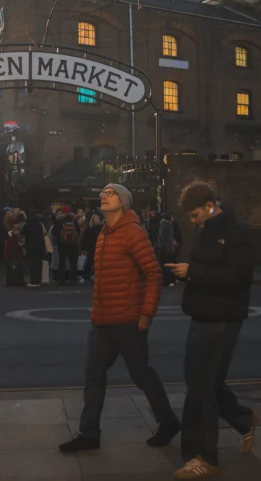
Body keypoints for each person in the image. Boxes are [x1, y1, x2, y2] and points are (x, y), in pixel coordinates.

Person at [59, 184, 180, 454]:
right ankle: (89, 433)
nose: (104, 195)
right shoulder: (104, 233)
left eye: (111, 193)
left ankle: (168, 422)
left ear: (124, 202)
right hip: (102, 321)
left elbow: (154, 274)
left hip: (128, 320)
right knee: (93, 375)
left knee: (141, 374)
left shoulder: (133, 233)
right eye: (103, 193)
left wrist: (146, 314)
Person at [166, 181, 258, 479]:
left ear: (209, 205)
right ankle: (243, 419)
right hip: (202, 315)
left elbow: (238, 276)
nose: (192, 222)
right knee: (207, 382)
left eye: (195, 215)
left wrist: (192, 272)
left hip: (222, 318)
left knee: (200, 389)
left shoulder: (237, 231)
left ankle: (203, 457)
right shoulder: (206, 229)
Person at [53, 205, 80, 285]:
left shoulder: (59, 220)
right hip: (72, 244)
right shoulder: (73, 219)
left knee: (62, 262)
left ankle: (61, 279)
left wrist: (59, 238)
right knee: (72, 262)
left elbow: (54, 231)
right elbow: (78, 230)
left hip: (62, 244)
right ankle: (73, 279)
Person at [24, 210, 47, 287]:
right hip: (40, 246)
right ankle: (39, 280)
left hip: (31, 247)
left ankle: (34, 281)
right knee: (38, 264)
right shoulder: (40, 224)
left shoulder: (28, 225)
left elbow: (22, 232)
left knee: (33, 265)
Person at [4, 209, 26, 287]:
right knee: (18, 267)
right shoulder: (15, 236)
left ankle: (11, 281)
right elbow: (17, 245)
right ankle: (17, 281)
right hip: (16, 254)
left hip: (10, 255)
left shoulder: (9, 235)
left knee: (11, 268)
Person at [78, 213, 103, 282]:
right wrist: (84, 248)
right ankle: (86, 276)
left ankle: (94, 275)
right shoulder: (89, 228)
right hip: (90, 248)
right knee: (89, 262)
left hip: (98, 247)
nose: (98, 220)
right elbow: (85, 239)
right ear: (93, 220)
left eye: (98, 218)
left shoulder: (102, 228)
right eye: (96, 218)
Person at [157, 212, 177, 287]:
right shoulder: (166, 226)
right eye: (171, 217)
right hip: (165, 249)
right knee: (166, 264)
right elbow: (167, 240)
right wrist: (171, 250)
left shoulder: (165, 225)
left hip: (163, 248)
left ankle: (167, 280)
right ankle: (167, 281)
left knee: (165, 264)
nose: (173, 219)